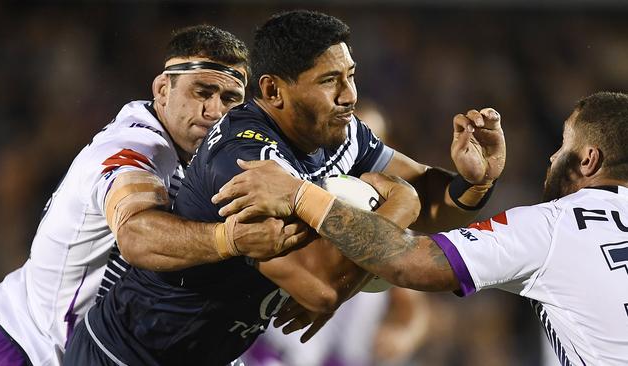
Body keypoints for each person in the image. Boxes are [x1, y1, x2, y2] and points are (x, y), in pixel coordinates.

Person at [64, 10, 505, 366]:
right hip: (128, 353)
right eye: (330, 81)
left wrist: (473, 182)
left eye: (350, 76)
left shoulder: (342, 134)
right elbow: (320, 286)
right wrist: (401, 203)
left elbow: (430, 197)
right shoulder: (243, 163)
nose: (349, 95)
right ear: (273, 90)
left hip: (208, 352)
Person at [217, 91, 628, 365]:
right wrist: (471, 186)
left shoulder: (555, 226)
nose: (553, 155)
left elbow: (409, 262)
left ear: (588, 160)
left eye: (563, 143)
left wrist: (299, 195)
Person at [0, 25, 304, 366]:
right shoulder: (134, 147)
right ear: (163, 90)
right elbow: (136, 234)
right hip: (26, 349)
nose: (215, 111)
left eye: (229, 99)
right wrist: (230, 239)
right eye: (202, 92)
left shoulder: (206, 158)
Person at [245, 100, 430, 366]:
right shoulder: (300, 193)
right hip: (271, 351)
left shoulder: (396, 222)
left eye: (369, 141)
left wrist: (404, 334)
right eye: (345, 140)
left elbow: (412, 305)